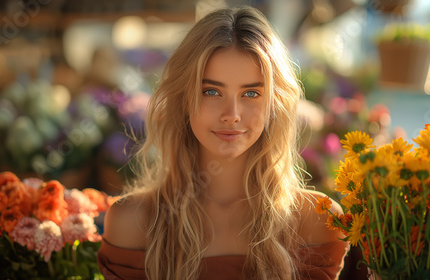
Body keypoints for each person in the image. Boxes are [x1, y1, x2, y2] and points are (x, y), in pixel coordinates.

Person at [97, 6, 349, 280]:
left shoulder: (317, 220)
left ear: (275, 105)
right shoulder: (132, 223)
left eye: (251, 93)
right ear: (183, 100)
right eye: (212, 91)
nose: (232, 115)